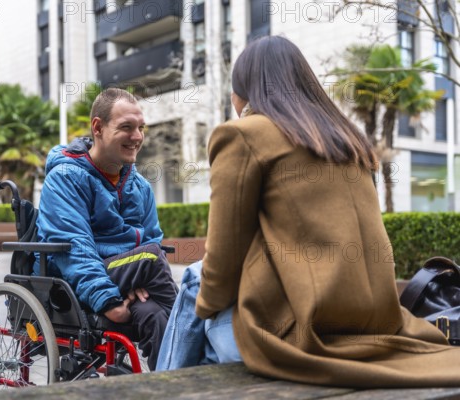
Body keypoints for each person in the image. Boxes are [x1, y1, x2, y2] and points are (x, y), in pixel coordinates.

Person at [158, 36, 460, 386]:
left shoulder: (242, 135)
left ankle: (161, 386)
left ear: (243, 93)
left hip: (299, 335)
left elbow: (222, 261)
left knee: (196, 279)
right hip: (377, 324)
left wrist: (211, 310)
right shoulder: (347, 139)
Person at [35, 88, 178, 371]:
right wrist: (108, 300)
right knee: (151, 257)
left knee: (154, 315)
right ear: (98, 128)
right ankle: (194, 332)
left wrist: (136, 282)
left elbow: (151, 238)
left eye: (140, 128)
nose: (137, 136)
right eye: (126, 127)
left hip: (128, 277)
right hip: (78, 279)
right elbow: (73, 249)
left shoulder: (140, 187)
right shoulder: (65, 178)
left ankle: (174, 386)